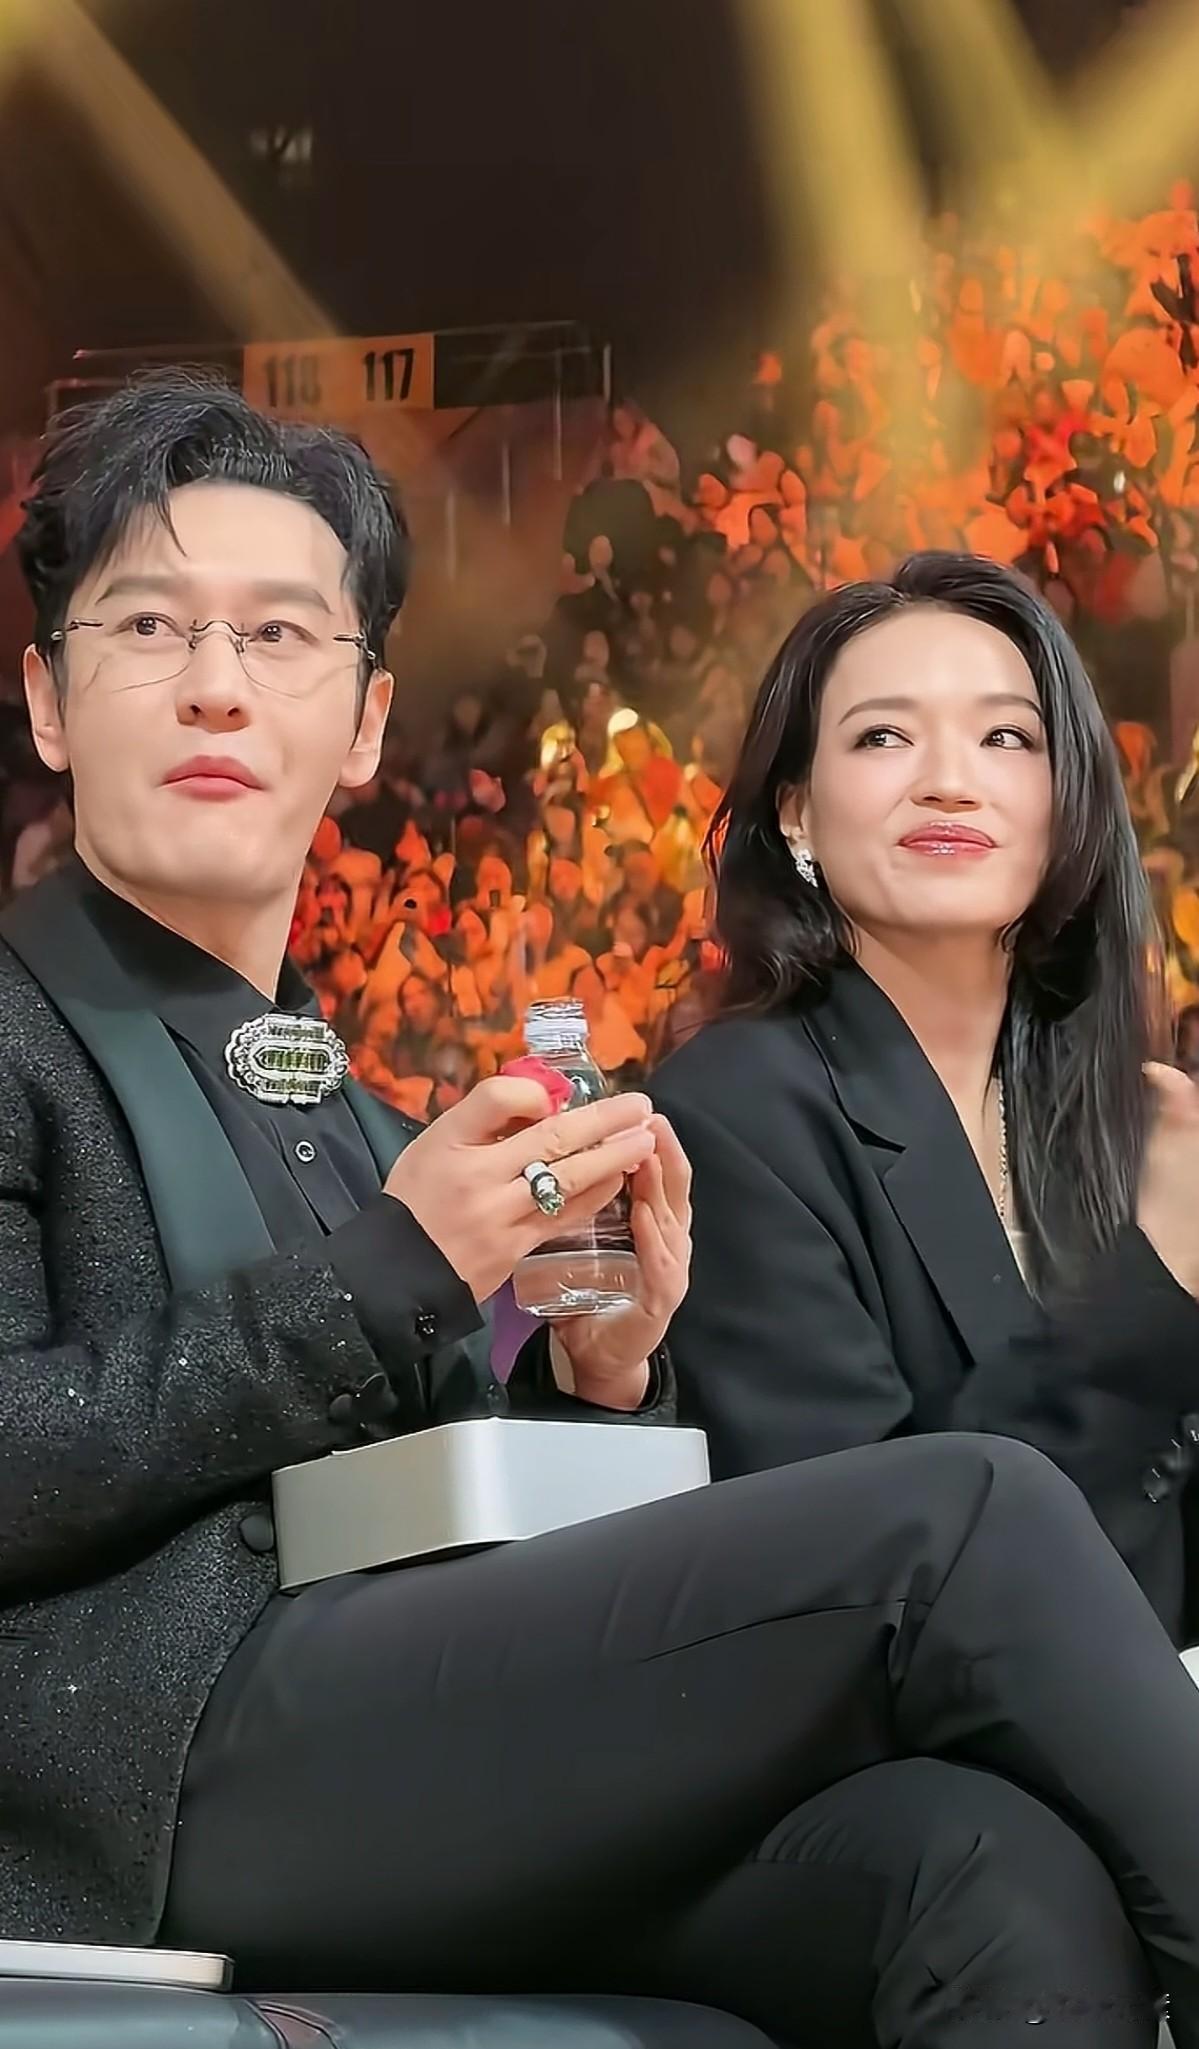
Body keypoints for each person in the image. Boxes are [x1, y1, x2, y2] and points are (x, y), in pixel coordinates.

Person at [9, 376, 1199, 2049]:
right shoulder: (28, 1036)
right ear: (49, 698)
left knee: (983, 1868)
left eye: (278, 634)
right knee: (962, 1514)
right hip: (149, 1783)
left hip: (407, 1758)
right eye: (150, 625)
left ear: (364, 721)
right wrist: (386, 1275)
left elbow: (442, 1520)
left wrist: (598, 1379)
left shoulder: (360, 1116)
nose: (216, 682)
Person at [652, 550, 1199, 1651]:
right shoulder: (734, 1111)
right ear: (796, 814)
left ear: (1066, 802)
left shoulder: (1130, 1115)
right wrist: (1155, 1285)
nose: (949, 780)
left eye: (1005, 737)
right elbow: (881, 1587)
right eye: (882, 736)